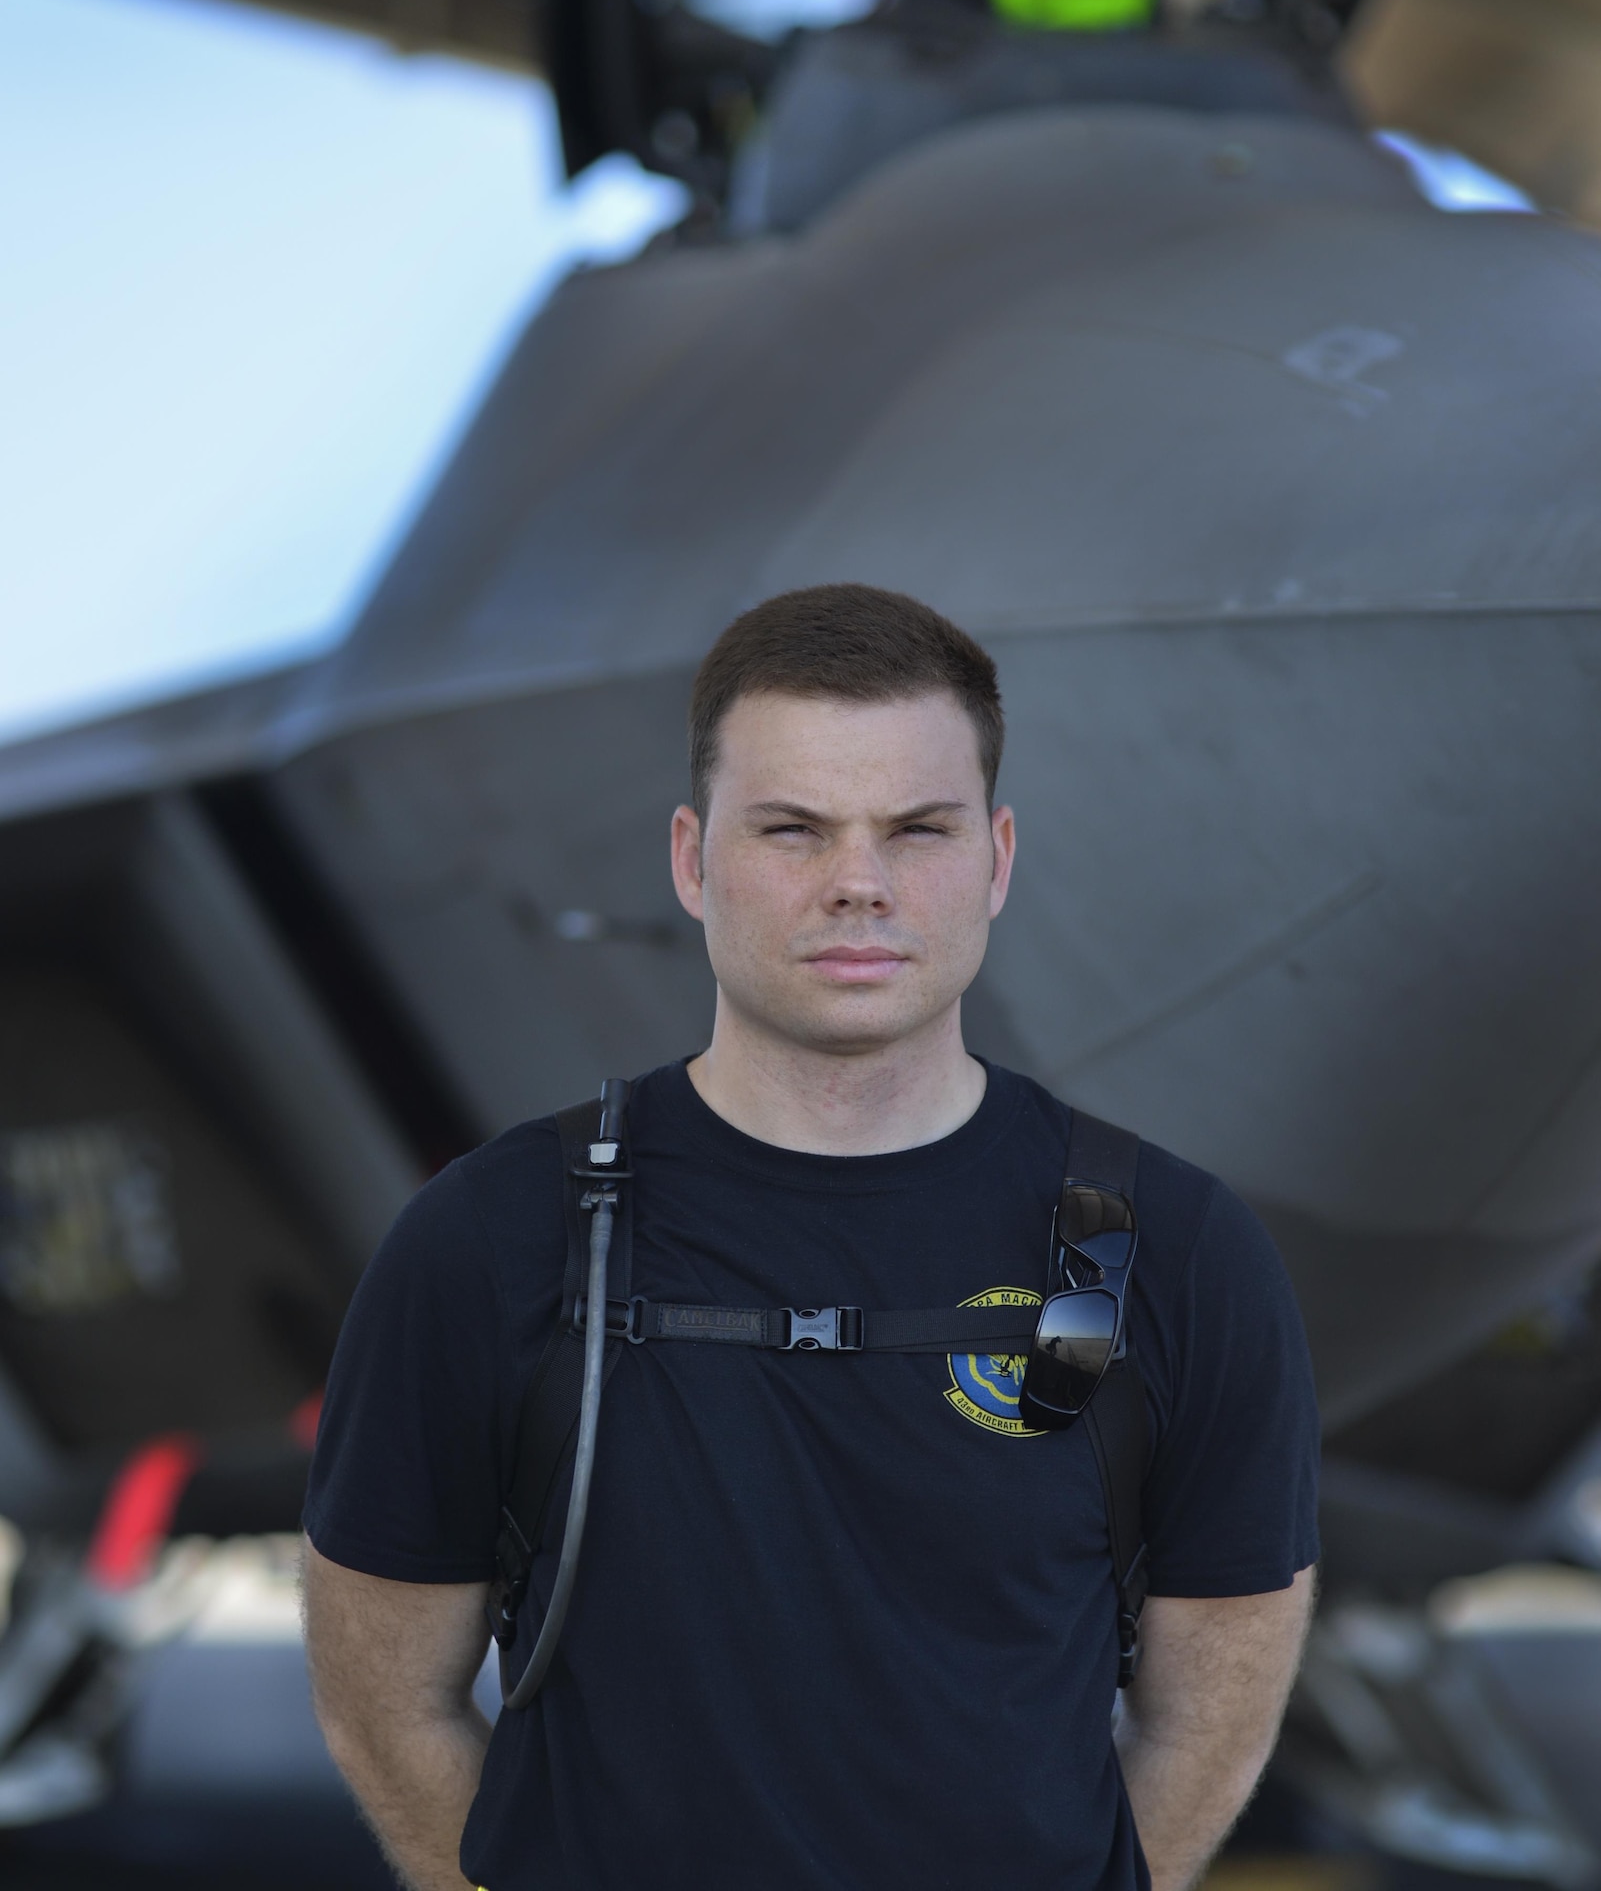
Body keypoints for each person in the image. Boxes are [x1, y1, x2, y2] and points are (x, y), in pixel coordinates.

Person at [302, 583, 1319, 1891]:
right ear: (689, 858)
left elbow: (1207, 1721)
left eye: (918, 829)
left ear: (997, 858)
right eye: (791, 829)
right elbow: (384, 1702)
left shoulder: (1178, 1252)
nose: (857, 884)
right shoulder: (487, 1238)